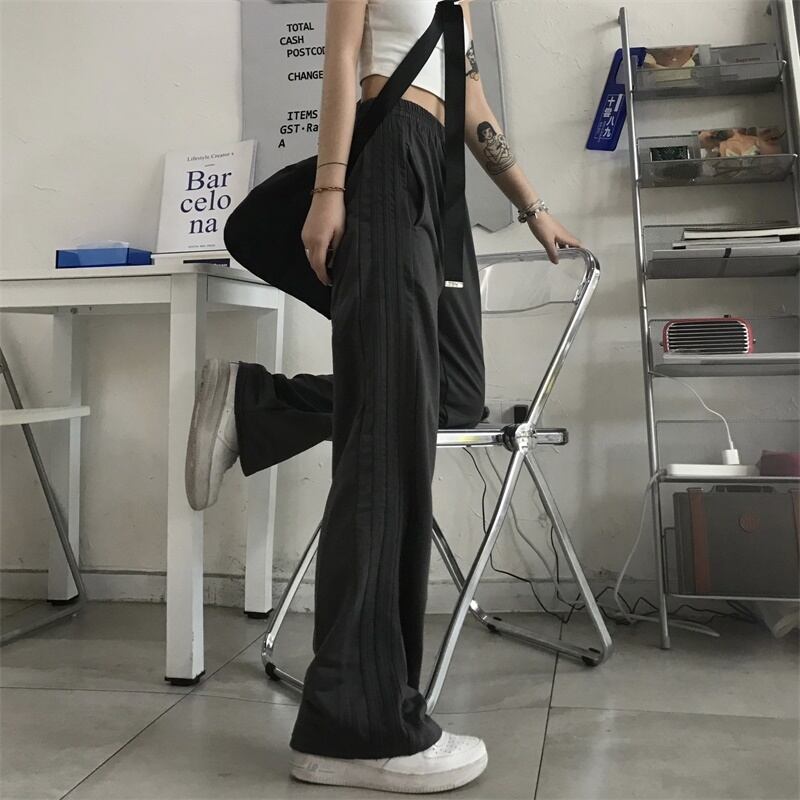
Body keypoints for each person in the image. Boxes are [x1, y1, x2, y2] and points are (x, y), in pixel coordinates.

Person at [184, 0, 580, 793]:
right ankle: (354, 725)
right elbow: (342, 56)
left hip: (438, 173)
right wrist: (330, 188)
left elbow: (471, 101)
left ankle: (258, 404)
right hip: (388, 154)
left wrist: (534, 207)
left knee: (449, 395)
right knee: (386, 439)